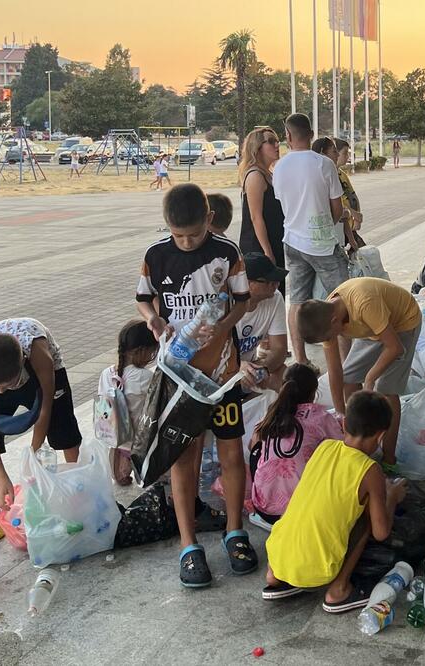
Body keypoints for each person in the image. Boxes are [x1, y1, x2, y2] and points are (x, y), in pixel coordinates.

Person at [136, 183, 256, 587]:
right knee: (183, 459)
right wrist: (153, 318)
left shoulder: (227, 253)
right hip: (180, 378)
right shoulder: (156, 255)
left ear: (209, 220)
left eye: (193, 234)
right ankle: (189, 545)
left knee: (230, 454)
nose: (185, 242)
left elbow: (242, 300)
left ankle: (235, 531)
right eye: (178, 235)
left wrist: (222, 330)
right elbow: (143, 298)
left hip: (222, 376)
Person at [262, 391, 407, 613]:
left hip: (277, 559)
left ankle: (275, 577)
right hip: (318, 572)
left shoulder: (325, 447)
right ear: (381, 436)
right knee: (366, 519)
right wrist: (392, 497)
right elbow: (381, 532)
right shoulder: (370, 471)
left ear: (344, 423)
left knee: (304, 506)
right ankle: (338, 590)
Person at [0, 318, 83, 539]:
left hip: (43, 376)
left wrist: (33, 453)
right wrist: (2, 478)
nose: (1, 392)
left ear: (22, 362)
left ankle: (79, 495)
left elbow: (44, 410)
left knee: (63, 429)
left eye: (7, 386)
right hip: (3, 370)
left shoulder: (40, 356)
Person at [296, 277, 421, 470]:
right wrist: (341, 416)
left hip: (403, 323)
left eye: (331, 336)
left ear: (334, 321)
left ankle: (389, 459)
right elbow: (336, 371)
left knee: (385, 389)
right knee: (349, 378)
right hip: (372, 329)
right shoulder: (327, 316)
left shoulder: (363, 303)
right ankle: (360, 437)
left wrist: (370, 378)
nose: (332, 339)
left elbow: (394, 347)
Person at [272, 113, 349, 365]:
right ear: (312, 134)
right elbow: (337, 210)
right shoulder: (324, 164)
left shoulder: (279, 167)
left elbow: (284, 203)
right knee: (341, 301)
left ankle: (301, 359)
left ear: (288, 136)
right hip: (323, 244)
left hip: (292, 242)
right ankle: (346, 361)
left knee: (297, 301)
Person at [248, 363, 344, 529]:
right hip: (299, 513)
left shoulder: (272, 413)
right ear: (314, 393)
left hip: (264, 510)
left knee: (261, 452)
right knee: (336, 461)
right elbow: (344, 451)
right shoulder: (321, 417)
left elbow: (252, 447)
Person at [98, 319, 158, 485]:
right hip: (137, 439)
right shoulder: (144, 377)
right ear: (141, 351)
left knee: (119, 454)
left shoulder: (106, 373)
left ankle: (120, 473)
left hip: (112, 434)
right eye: (151, 352)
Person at [238, 127, 286, 296]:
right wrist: (267, 252)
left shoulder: (269, 174)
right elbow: (255, 217)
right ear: (257, 147)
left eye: (277, 141)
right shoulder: (255, 175)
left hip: (274, 242)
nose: (277, 145)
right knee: (263, 295)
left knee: (276, 294)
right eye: (271, 141)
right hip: (258, 247)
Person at [236, 252, 289, 393]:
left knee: (284, 374)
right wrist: (237, 367)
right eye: (269, 281)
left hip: (252, 367)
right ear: (247, 283)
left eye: (277, 280)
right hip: (223, 372)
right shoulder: (225, 304)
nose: (276, 285)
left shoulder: (275, 298)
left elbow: (280, 349)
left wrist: (262, 368)